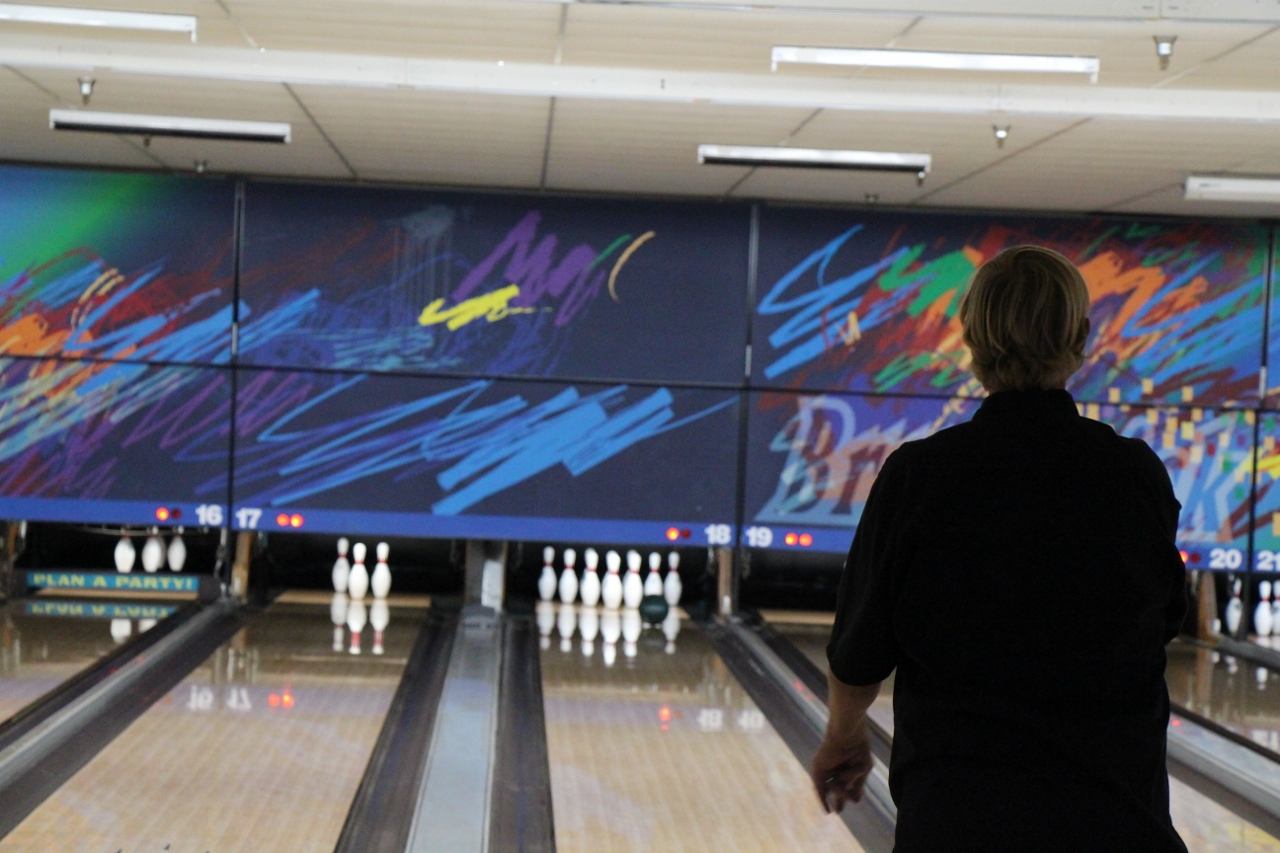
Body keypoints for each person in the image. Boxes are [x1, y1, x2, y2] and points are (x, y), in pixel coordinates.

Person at [811, 245, 1189, 852]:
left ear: (970, 338)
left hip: (958, 820)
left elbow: (859, 653)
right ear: (1082, 337)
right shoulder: (1134, 475)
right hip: (1114, 822)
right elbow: (1166, 617)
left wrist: (843, 736)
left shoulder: (920, 475)